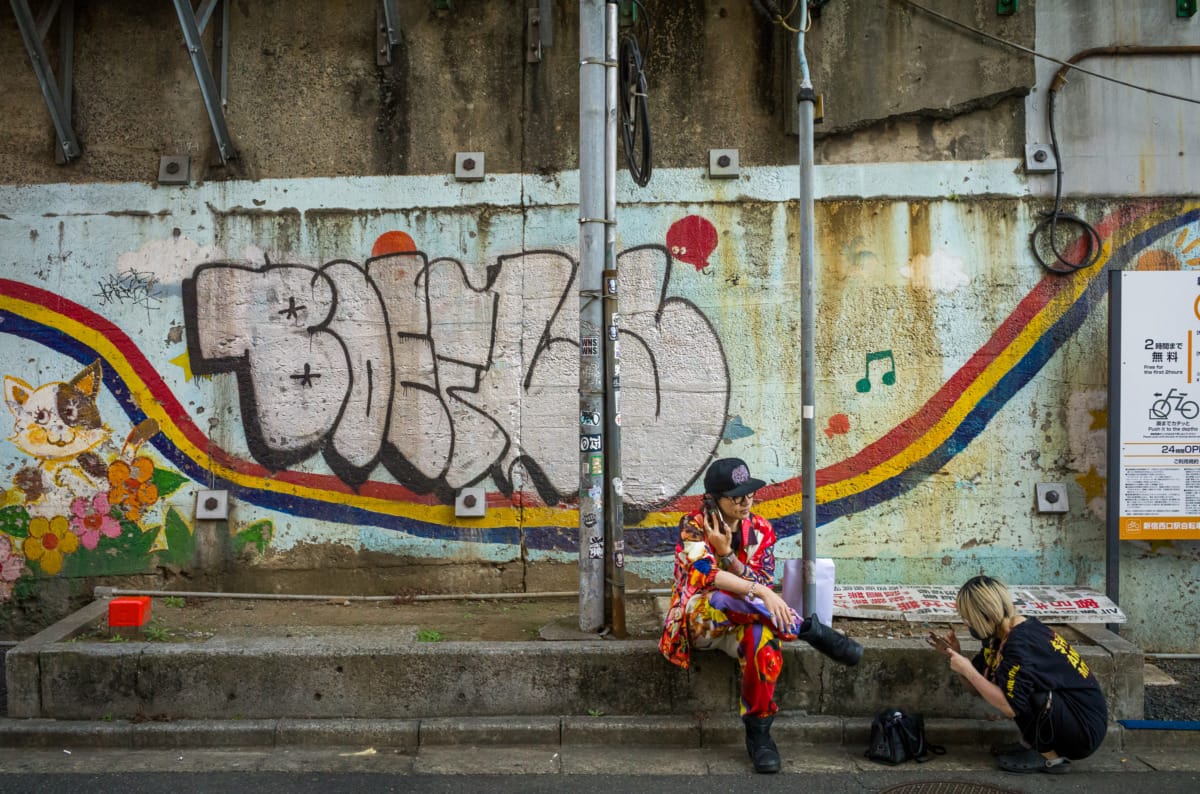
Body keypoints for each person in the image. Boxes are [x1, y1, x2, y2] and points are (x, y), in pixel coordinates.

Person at [659, 457, 863, 774]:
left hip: (749, 619)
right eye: (736, 495)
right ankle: (808, 630)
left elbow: (760, 580)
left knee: (763, 642)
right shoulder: (694, 526)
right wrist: (763, 592)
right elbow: (704, 576)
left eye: (749, 493)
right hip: (702, 621)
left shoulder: (762, 529)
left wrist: (727, 554)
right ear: (714, 498)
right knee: (726, 597)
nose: (746, 501)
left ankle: (760, 734)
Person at [926, 574, 1108, 774]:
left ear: (985, 615)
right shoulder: (999, 636)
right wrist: (956, 657)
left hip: (1083, 731)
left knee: (1023, 694)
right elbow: (978, 689)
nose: (966, 624)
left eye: (968, 619)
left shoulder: (1021, 643)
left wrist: (968, 669)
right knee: (1011, 686)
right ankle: (1033, 743)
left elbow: (1009, 707)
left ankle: (1050, 757)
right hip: (1070, 716)